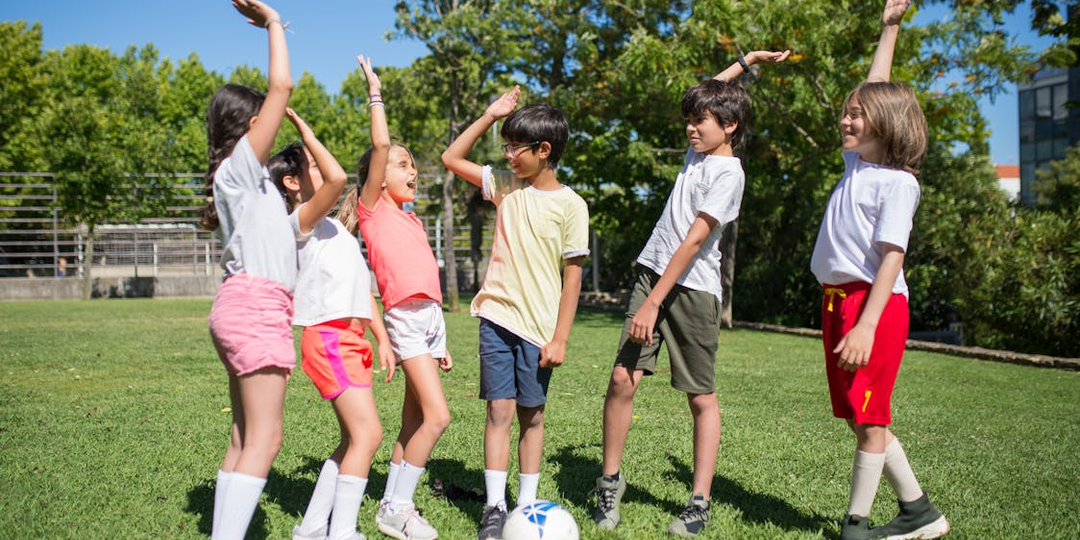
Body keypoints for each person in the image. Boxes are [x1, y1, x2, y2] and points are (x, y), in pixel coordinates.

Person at [591, 49, 789, 538]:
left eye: (700, 121)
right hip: (651, 275)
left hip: (692, 292)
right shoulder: (697, 153)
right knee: (622, 379)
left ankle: (698, 501)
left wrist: (655, 301)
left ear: (730, 126)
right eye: (689, 120)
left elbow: (696, 239)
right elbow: (711, 90)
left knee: (700, 396)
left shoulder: (728, 173)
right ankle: (609, 482)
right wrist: (747, 62)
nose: (690, 128)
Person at [808, 2, 950, 540]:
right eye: (846, 112)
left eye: (856, 115)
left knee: (870, 419)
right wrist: (888, 29)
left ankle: (856, 526)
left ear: (885, 124)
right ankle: (918, 510)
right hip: (837, 302)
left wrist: (867, 323)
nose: (846, 119)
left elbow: (893, 256)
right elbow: (876, 86)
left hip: (876, 305)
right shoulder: (858, 164)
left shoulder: (898, 183)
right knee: (855, 413)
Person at [440, 86, 590, 540]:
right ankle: (493, 507)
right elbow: (452, 157)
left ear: (544, 151)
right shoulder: (505, 188)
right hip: (496, 319)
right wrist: (490, 115)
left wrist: (560, 338)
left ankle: (526, 506)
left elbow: (573, 277)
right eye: (504, 146)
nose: (507, 156)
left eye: (514, 148)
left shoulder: (571, 205)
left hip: (539, 331)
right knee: (498, 411)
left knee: (533, 415)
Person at [336, 55, 451, 540]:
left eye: (414, 166)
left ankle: (391, 500)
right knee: (439, 417)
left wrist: (441, 336)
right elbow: (380, 142)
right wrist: (375, 93)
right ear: (378, 176)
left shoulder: (411, 219)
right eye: (403, 165)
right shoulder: (374, 209)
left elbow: (426, 282)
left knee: (414, 418)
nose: (414, 172)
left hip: (427, 317)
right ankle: (397, 507)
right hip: (403, 316)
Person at [268, 108, 395, 540]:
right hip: (328, 339)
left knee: (352, 442)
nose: (324, 168)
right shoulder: (299, 222)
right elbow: (338, 180)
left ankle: (311, 528)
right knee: (369, 434)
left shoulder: (336, 231)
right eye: (312, 163)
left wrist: (381, 337)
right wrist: (304, 130)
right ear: (292, 182)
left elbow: (360, 287)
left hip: (350, 337)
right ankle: (341, 531)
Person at [199, 1, 293, 538]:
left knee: (243, 436)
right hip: (255, 306)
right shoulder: (239, 168)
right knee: (265, 438)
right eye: (265, 119)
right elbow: (281, 87)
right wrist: (274, 22)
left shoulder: (247, 181)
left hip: (248, 304)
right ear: (250, 124)